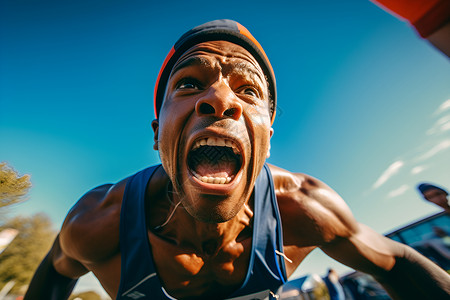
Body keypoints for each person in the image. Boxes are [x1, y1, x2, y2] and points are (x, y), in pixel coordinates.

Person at [25, 19, 450, 300]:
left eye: (248, 91)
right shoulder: (101, 221)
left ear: (266, 137)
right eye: (190, 84)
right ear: (157, 134)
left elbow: (397, 261)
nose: (220, 99)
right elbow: (55, 274)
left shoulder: (304, 208)